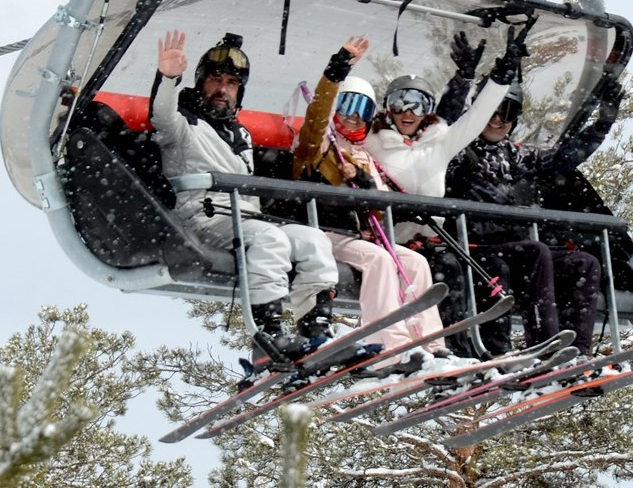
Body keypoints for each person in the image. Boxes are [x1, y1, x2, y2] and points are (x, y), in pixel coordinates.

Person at [151, 29, 342, 361]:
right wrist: (168, 78)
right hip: (203, 219)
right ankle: (268, 336)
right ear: (200, 83)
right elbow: (161, 114)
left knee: (314, 241)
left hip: (246, 220)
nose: (223, 89)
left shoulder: (241, 135)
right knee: (271, 240)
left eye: (232, 83)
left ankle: (315, 328)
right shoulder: (183, 124)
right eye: (215, 80)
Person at [362, 29, 525, 354]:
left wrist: (503, 74)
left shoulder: (437, 146)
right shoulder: (371, 144)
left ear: (428, 112)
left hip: (432, 241)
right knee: (446, 270)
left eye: (418, 104)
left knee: (479, 268)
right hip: (392, 241)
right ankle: (450, 350)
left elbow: (476, 117)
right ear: (388, 108)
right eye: (400, 103)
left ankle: (487, 350)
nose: (408, 112)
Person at [293, 36, 448, 366]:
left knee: (415, 263)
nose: (352, 117)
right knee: (379, 261)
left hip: (357, 236)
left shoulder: (363, 157)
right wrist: (337, 70)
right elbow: (318, 115)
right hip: (325, 233)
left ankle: (429, 341)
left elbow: (378, 208)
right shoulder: (317, 147)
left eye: (361, 111)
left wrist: (363, 183)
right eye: (346, 107)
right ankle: (387, 342)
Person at [444, 76, 626, 356]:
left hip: (514, 249)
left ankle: (577, 351)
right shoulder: (456, 146)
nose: (498, 120)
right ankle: (545, 346)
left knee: (583, 263)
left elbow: (564, 158)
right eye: (492, 111)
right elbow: (443, 123)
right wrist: (462, 80)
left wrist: (602, 125)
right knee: (535, 251)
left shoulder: (514, 156)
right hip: (476, 246)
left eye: (508, 113)